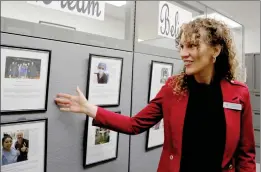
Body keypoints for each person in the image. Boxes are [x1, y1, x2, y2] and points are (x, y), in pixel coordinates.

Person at [54, 18, 256, 172]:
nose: (183, 53)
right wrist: (90, 109)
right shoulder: (173, 88)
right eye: (182, 46)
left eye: (193, 46)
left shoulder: (238, 93)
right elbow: (134, 125)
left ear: (216, 50)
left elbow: (245, 153)